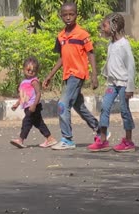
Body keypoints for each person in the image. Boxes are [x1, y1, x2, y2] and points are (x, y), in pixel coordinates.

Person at [43, 1, 107, 150]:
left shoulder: (82, 34)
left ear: (76, 15)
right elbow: (62, 58)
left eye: (71, 14)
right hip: (67, 75)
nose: (68, 17)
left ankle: (67, 139)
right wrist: (49, 75)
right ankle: (100, 130)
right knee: (78, 106)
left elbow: (91, 54)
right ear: (61, 16)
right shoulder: (60, 36)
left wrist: (94, 75)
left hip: (77, 74)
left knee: (62, 105)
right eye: (65, 15)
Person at [88, 13, 136, 152]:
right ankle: (102, 140)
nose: (102, 28)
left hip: (123, 84)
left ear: (114, 26)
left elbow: (131, 66)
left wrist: (130, 87)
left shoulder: (124, 45)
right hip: (112, 84)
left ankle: (128, 141)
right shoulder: (111, 44)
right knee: (104, 107)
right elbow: (110, 63)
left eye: (105, 25)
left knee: (124, 110)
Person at [10, 56, 57, 149]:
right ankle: (50, 138)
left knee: (26, 122)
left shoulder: (34, 81)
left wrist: (34, 105)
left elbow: (38, 93)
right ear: (24, 69)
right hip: (28, 106)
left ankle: (20, 139)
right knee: (39, 123)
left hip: (33, 106)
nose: (31, 72)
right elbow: (23, 96)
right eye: (28, 69)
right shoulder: (24, 82)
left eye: (33, 70)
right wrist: (17, 104)